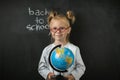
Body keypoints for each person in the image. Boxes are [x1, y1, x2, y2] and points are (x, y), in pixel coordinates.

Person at [38, 10, 86, 80]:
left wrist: (73, 76)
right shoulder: (47, 50)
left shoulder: (74, 49)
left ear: (68, 30)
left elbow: (81, 67)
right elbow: (41, 67)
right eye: (54, 28)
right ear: (51, 30)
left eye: (62, 28)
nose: (58, 31)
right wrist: (48, 74)